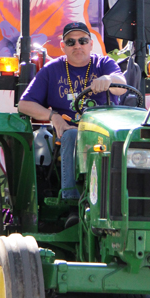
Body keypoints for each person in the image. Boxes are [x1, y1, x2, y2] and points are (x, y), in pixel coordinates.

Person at [19, 22, 127, 200]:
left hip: (104, 132)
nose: (77, 45)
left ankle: (119, 198)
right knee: (70, 135)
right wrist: (53, 117)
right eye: (71, 42)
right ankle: (71, 199)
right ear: (63, 46)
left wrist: (109, 79)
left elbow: (121, 87)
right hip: (70, 131)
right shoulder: (51, 70)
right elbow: (24, 104)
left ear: (91, 44)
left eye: (82, 41)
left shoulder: (104, 64)